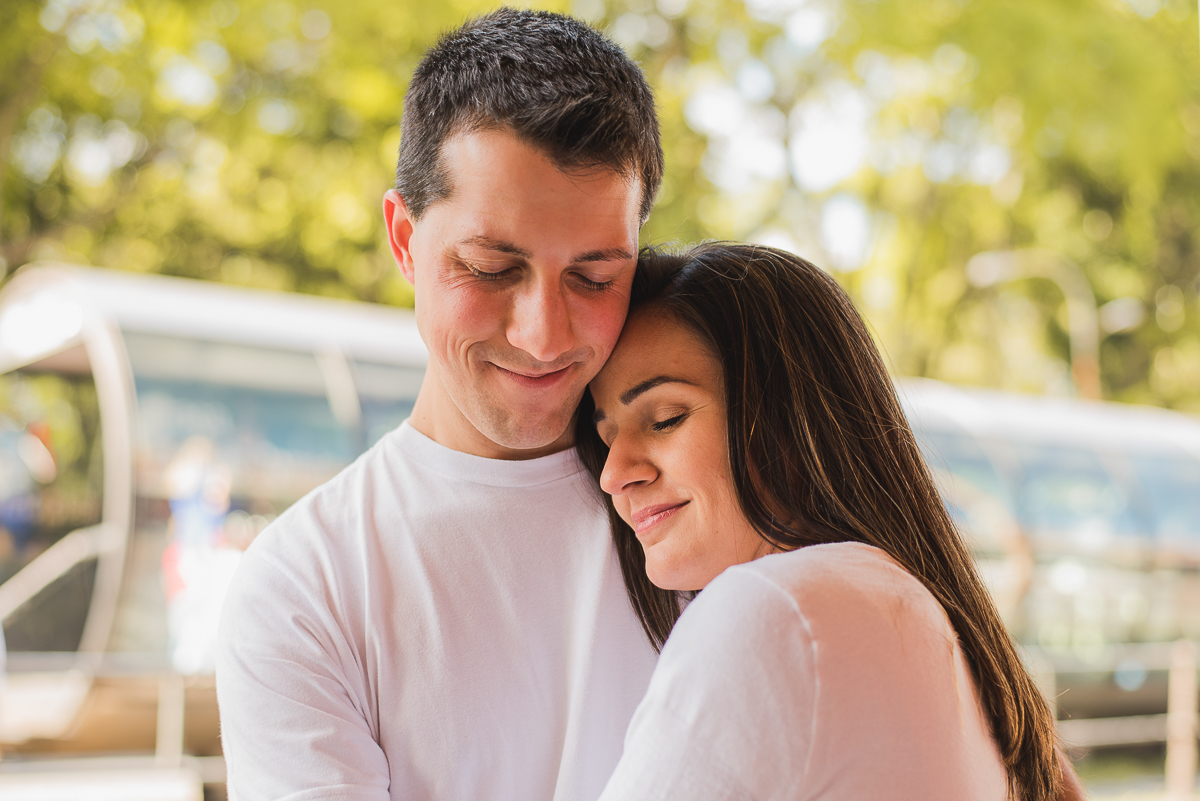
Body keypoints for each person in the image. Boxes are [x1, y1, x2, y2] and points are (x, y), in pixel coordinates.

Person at [215, 9, 663, 799]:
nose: (543, 334)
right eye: (491, 268)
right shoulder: (305, 588)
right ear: (404, 240)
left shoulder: (710, 501)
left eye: (595, 277)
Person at [576, 243, 1086, 800]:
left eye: (665, 418)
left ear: (792, 419)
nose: (613, 474)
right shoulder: (928, 622)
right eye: (606, 440)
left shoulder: (774, 609)